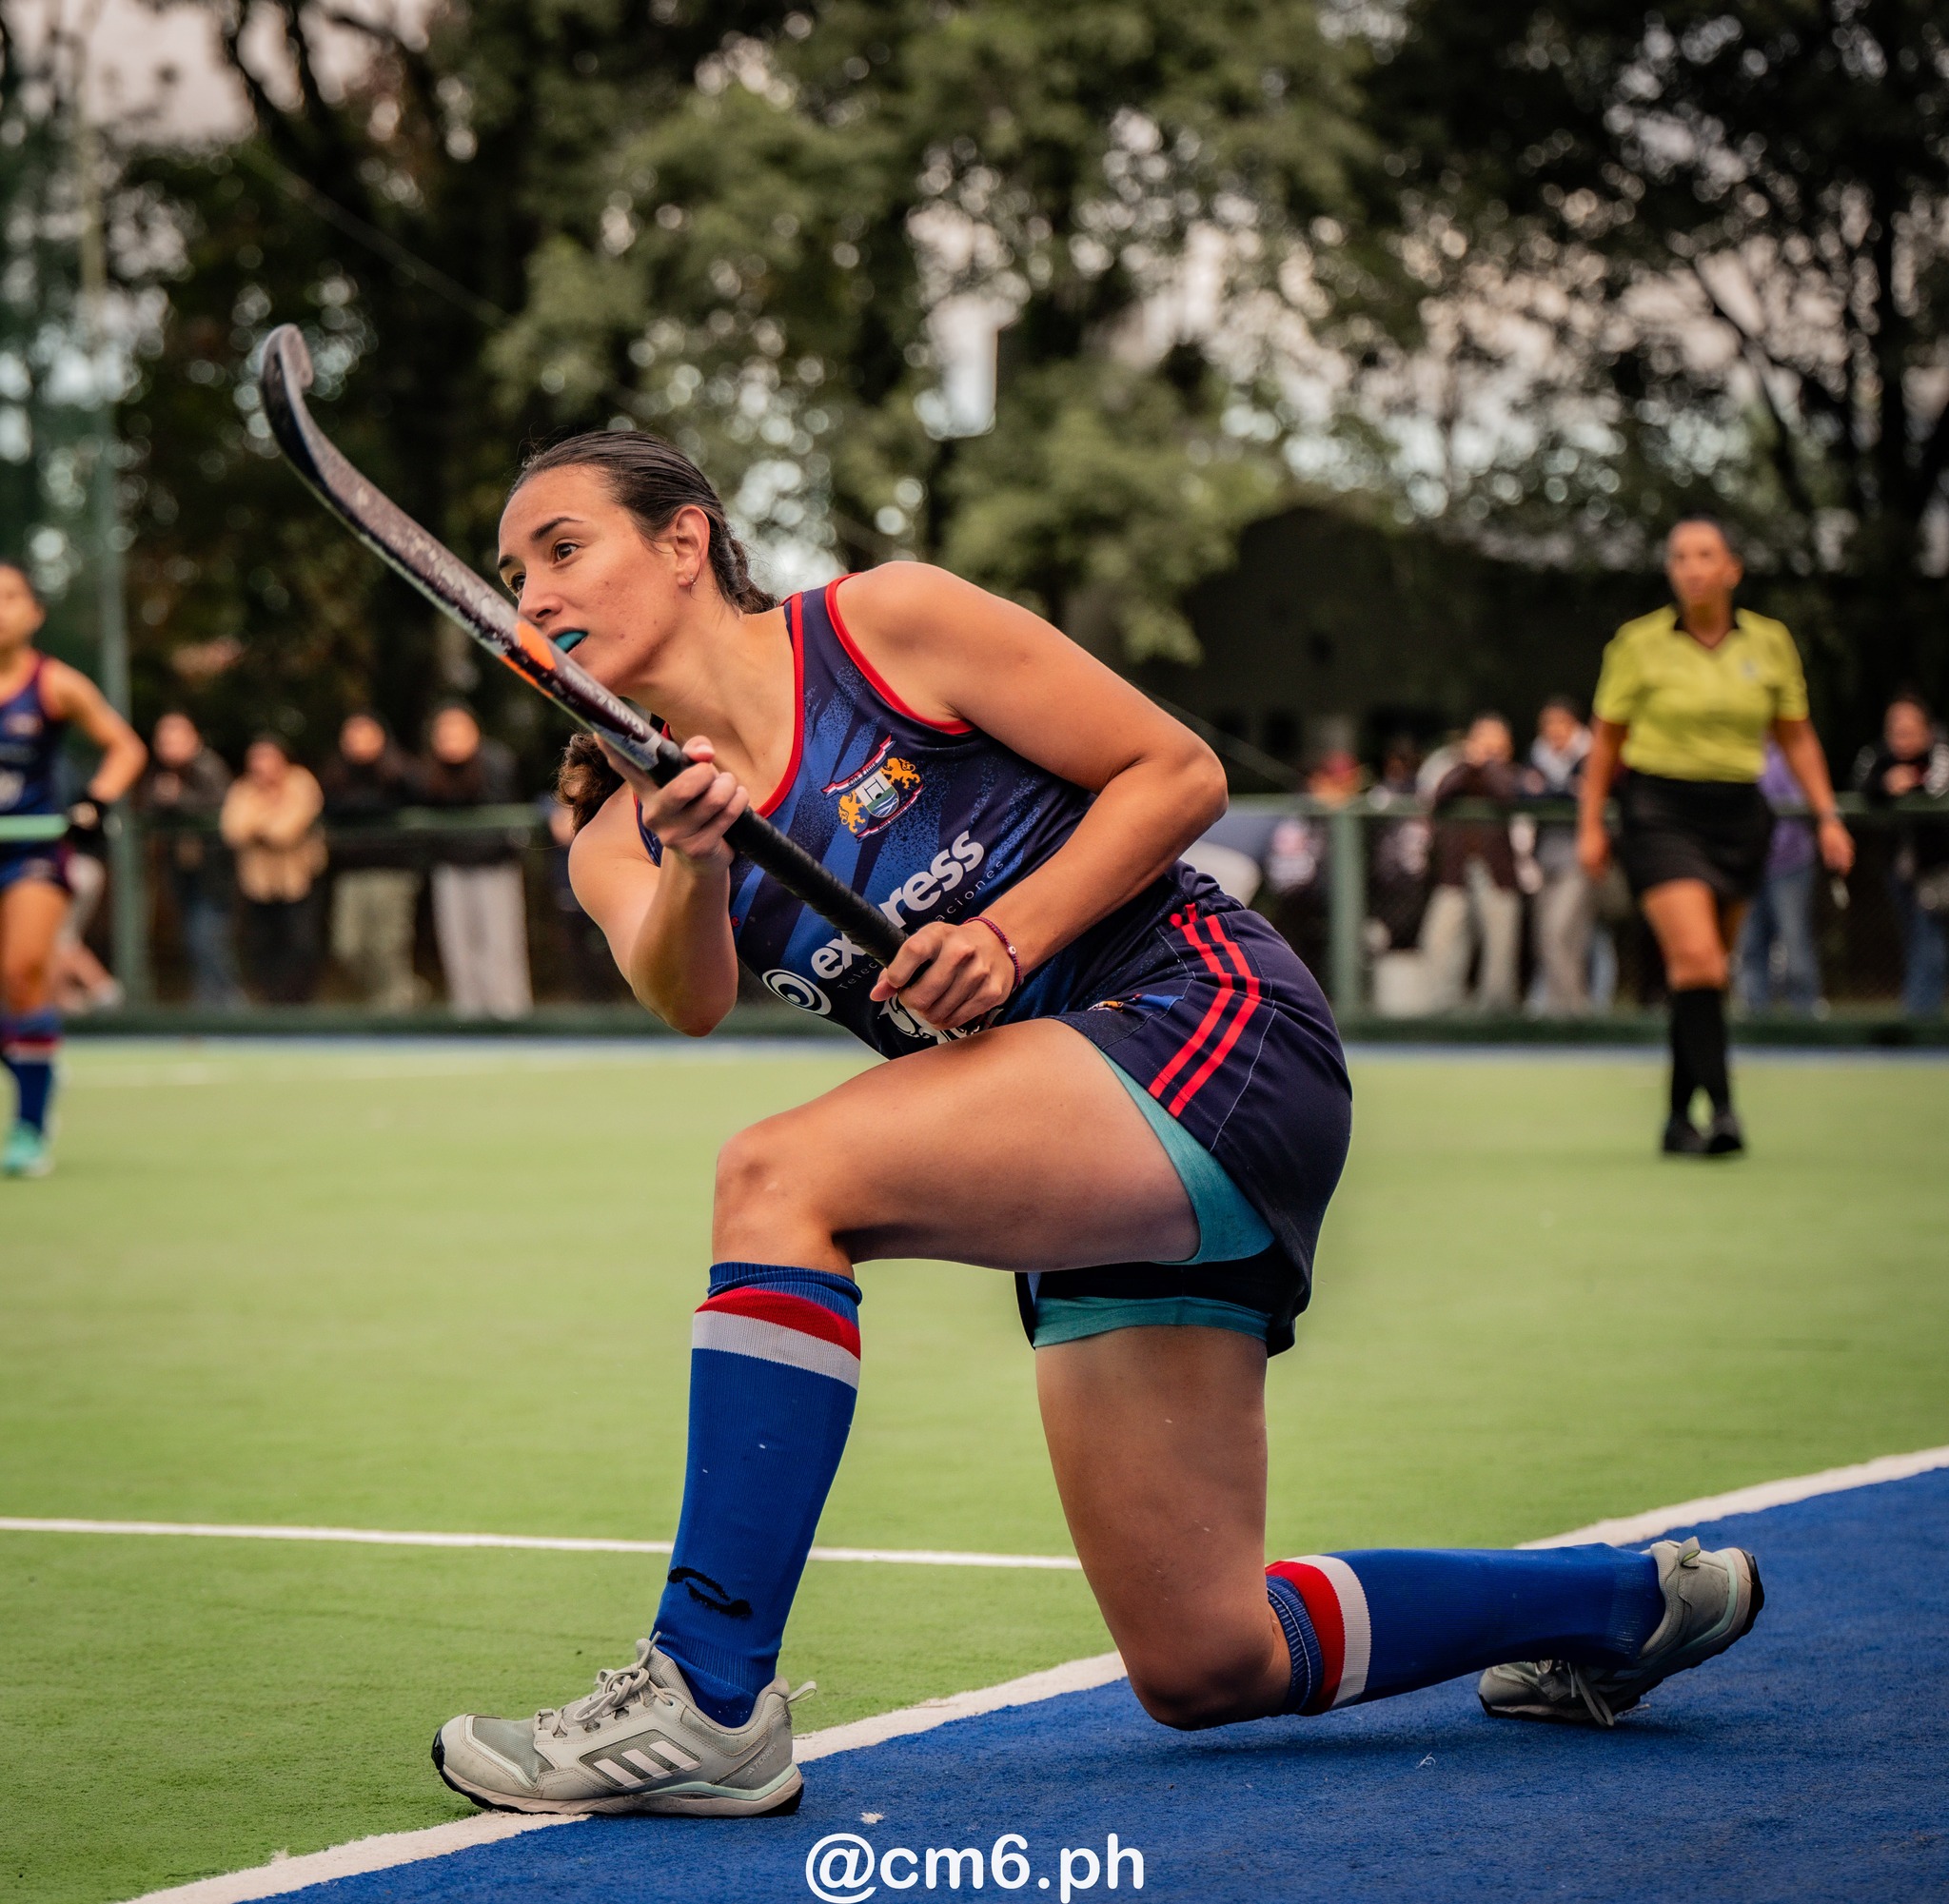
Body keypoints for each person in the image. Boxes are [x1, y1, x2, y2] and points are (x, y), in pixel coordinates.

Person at [429, 433, 1765, 1818]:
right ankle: (1620, 1604)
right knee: (1205, 1658)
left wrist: (1007, 935)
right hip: (1079, 1135)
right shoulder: (608, 817)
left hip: (1209, 1024)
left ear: (688, 541)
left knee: (778, 1176)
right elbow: (686, 993)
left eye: (564, 546)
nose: (531, 592)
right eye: (515, 570)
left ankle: (707, 1690)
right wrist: (697, 858)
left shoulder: (883, 625)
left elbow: (1177, 772)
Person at [1579, 518, 1853, 1155]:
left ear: (1732, 568)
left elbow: (1796, 735)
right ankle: (1725, 1112)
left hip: (1739, 814)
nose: (1692, 567)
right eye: (1679, 556)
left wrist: (1828, 814)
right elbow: (1606, 740)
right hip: (1658, 809)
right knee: (1699, 959)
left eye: (1706, 555)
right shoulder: (1638, 643)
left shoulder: (1772, 642)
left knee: (1699, 975)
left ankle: (1677, 1120)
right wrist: (1592, 821)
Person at [0, 561, 147, 1175]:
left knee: (23, 971)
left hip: (32, 853)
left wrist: (94, 803)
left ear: (35, 613)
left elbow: (126, 748)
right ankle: (38, 1062)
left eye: (10, 596)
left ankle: (31, 1128)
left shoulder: (56, 683)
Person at [418, 702, 532, 1019]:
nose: (451, 737)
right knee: (458, 946)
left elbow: (505, 816)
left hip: (495, 867)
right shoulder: (430, 771)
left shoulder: (496, 762)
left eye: (458, 728)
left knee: (500, 943)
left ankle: (510, 1015)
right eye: (445, 730)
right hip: (451, 868)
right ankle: (468, 1018)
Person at [1854, 691, 1949, 1017]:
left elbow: (1938, 787)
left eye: (1909, 730)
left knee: (1930, 947)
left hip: (1938, 871)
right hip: (1899, 869)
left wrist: (1911, 785)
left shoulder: (1941, 751)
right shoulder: (1880, 756)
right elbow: (1861, 785)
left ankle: (1918, 1024)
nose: (1902, 737)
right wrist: (1886, 785)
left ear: (1926, 728)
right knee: (1918, 945)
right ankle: (1923, 1018)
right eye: (1895, 729)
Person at [1420, 713, 1523, 1012]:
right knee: (1441, 936)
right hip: (1455, 873)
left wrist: (1489, 764)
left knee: (1500, 945)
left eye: (1495, 741)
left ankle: (1495, 1012)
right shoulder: (1456, 771)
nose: (1488, 748)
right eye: (1482, 740)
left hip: (1498, 872)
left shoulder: (1511, 773)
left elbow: (1506, 794)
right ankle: (1444, 1008)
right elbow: (1441, 794)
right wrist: (1468, 763)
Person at [321, 712, 422, 1011]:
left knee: (388, 945)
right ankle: (406, 989)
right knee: (347, 946)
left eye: (366, 733)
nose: (358, 742)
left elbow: (409, 800)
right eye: (352, 735)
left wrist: (361, 807)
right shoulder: (335, 774)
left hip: (393, 869)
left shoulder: (401, 771)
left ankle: (394, 1010)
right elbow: (331, 808)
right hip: (351, 871)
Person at [143, 712, 243, 1008]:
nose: (168, 746)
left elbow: (220, 809)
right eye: (163, 740)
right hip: (183, 873)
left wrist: (178, 799)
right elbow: (150, 809)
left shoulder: (209, 768)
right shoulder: (163, 773)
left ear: (193, 738)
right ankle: (210, 1006)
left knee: (208, 939)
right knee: (194, 941)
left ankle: (229, 1009)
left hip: (214, 875)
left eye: (175, 738)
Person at [220, 736, 325, 1005]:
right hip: (258, 885)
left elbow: (286, 831)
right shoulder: (242, 789)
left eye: (268, 757)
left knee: (302, 944)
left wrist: (259, 823)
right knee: (262, 946)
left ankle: (299, 1005)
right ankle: (271, 1005)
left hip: (299, 881)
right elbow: (233, 830)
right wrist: (270, 817)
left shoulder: (301, 781)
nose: (261, 765)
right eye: (256, 758)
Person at [1735, 741, 1821, 1016]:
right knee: (1749, 946)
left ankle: (1806, 1017)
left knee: (1794, 943)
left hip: (1789, 865)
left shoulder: (1788, 753)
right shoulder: (1733, 754)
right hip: (1745, 867)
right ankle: (1755, 1020)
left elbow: (1798, 804)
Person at [1527, 697, 1594, 1015]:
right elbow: (1525, 791)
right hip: (1544, 857)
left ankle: (1571, 1012)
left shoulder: (1591, 754)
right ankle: (1564, 1009)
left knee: (1562, 934)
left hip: (1579, 857)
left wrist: (1555, 789)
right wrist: (1566, 789)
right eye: (1548, 724)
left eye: (1561, 723)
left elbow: (1593, 791)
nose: (1554, 730)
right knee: (1547, 937)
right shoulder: (1536, 756)